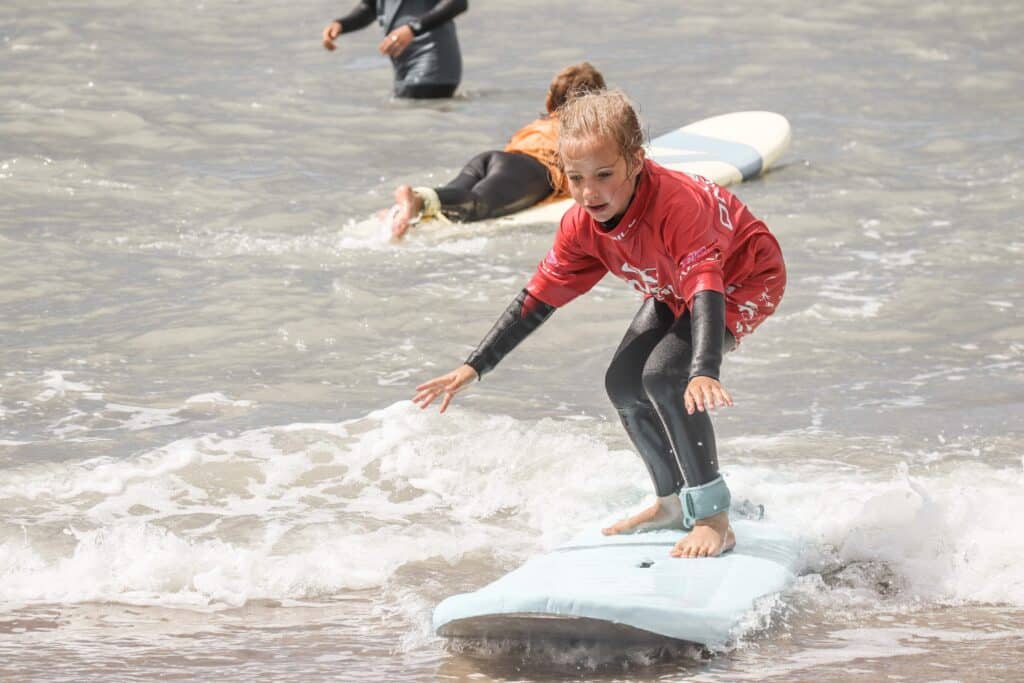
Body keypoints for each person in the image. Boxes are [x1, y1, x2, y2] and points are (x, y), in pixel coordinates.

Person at [412, 90, 786, 559]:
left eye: (604, 175)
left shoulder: (677, 206)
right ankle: (671, 503)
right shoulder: (581, 226)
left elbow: (706, 283)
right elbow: (538, 297)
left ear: (635, 161)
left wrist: (704, 368)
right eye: (575, 178)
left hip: (742, 279)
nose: (590, 193)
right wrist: (475, 366)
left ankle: (713, 517)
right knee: (623, 385)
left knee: (664, 376)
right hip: (673, 284)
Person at [388, 62, 607, 240]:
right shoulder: (582, 127)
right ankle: (415, 199)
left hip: (493, 159)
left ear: (550, 102)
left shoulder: (540, 123)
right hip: (532, 170)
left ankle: (411, 206)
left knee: (457, 194)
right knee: (478, 205)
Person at [322, 0, 468, 99]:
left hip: (433, 66)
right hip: (403, 70)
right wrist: (341, 25)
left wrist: (412, 29)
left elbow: (458, 3)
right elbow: (370, 7)